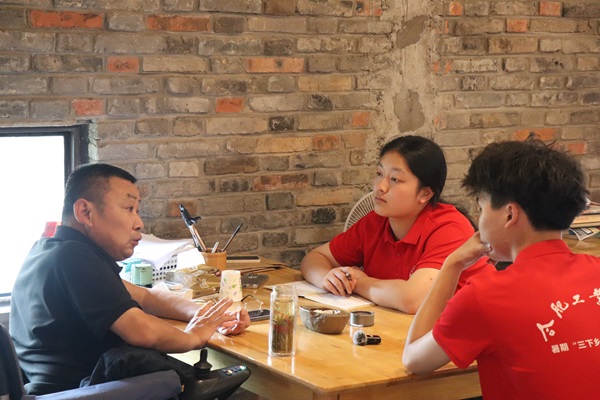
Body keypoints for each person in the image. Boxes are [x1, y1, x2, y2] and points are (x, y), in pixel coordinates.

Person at [9, 163, 250, 396]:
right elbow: (141, 331)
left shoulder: (49, 250)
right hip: (85, 394)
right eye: (128, 209)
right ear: (85, 212)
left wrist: (209, 315)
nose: (139, 223)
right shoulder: (74, 256)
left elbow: (145, 296)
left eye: (137, 210)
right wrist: (194, 337)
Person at [402, 139, 600, 399]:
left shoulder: (485, 296)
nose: (479, 220)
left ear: (509, 214)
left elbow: (414, 360)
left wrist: (452, 264)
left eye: (481, 208)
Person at [300, 135, 493, 314]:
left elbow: (413, 300)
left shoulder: (449, 227)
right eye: (379, 173)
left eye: (394, 179)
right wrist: (328, 279)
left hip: (469, 332)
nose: (380, 187)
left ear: (425, 193)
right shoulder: (376, 221)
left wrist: (358, 282)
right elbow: (314, 258)